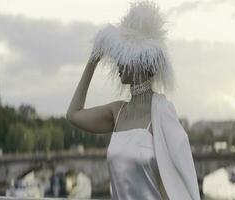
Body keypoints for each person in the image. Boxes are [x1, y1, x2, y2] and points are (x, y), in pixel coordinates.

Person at [66, 1, 200, 199]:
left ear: (141, 61)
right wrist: (93, 60)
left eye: (124, 53)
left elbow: (173, 183)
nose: (118, 61)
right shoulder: (117, 112)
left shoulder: (162, 114)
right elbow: (73, 114)